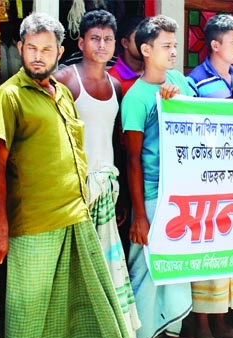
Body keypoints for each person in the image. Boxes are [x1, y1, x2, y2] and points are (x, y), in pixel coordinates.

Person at [0, 13, 134, 338]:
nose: (39, 55)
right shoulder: (8, 96)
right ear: (20, 48)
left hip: (77, 216)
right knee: (29, 314)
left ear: (60, 50)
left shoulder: (62, 94)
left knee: (80, 311)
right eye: (32, 48)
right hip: (34, 223)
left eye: (47, 49)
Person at [53, 9, 141, 338]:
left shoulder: (116, 85)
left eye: (107, 39)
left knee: (104, 268)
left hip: (107, 190)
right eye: (94, 38)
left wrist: (122, 198)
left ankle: (104, 335)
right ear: (82, 42)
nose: (101, 45)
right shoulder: (65, 80)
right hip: (75, 190)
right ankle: (72, 337)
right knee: (76, 267)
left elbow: (117, 142)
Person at [120, 15, 203, 338]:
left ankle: (173, 337)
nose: (173, 52)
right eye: (166, 46)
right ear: (145, 49)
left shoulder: (180, 82)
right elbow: (132, 160)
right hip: (154, 194)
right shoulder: (136, 97)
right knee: (146, 271)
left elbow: (207, 118)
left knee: (177, 268)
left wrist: (178, 101)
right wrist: (140, 215)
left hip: (183, 193)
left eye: (174, 45)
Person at [185, 14, 233, 338]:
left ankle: (222, 323)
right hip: (206, 180)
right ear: (214, 45)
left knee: (229, 253)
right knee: (206, 257)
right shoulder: (196, 81)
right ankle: (201, 331)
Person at [108, 15, 145, 261]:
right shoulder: (113, 78)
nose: (144, 45)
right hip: (122, 159)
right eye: (138, 39)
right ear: (123, 42)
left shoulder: (151, 78)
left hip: (146, 162)